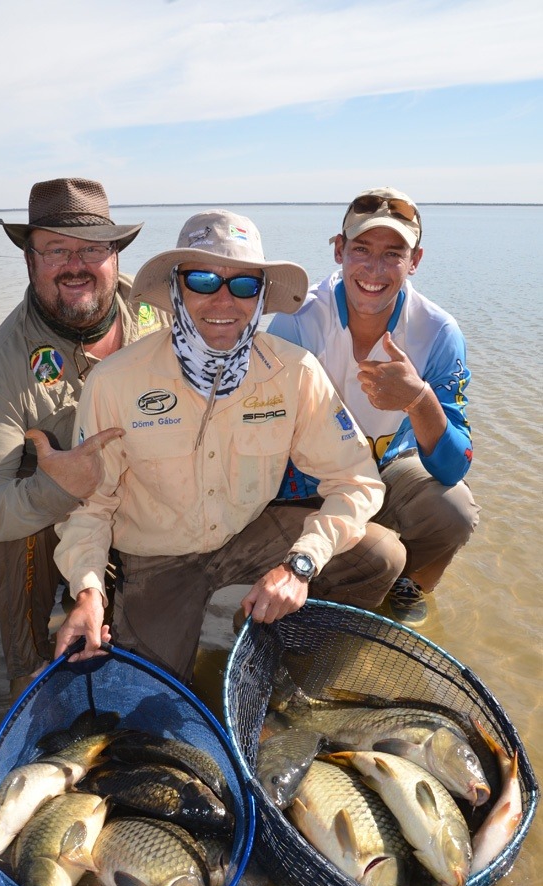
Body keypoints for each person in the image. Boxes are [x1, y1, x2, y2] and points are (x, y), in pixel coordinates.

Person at [53, 209, 406, 682]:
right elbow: (90, 508)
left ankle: (275, 644)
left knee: (380, 557)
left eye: (243, 285)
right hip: (157, 559)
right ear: (176, 288)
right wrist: (88, 593)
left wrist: (300, 566)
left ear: (260, 296)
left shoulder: (295, 372)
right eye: (202, 280)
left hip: (249, 533)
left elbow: (357, 480)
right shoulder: (114, 381)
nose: (224, 300)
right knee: (150, 693)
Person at [0, 177, 169, 698]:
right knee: (15, 513)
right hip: (71, 512)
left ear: (115, 254)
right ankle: (25, 675)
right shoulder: (8, 356)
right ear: (29, 260)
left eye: (93, 248)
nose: (76, 264)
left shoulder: (162, 310)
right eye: (55, 250)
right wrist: (56, 488)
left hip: (156, 502)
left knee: (145, 668)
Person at [268, 187, 479, 626]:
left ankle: (410, 581)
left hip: (385, 467)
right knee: (369, 549)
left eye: (393, 254)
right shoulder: (299, 319)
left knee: (455, 509)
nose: (374, 270)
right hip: (304, 476)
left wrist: (418, 399)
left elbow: (453, 465)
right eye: (361, 249)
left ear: (414, 260)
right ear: (339, 251)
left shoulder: (437, 333)